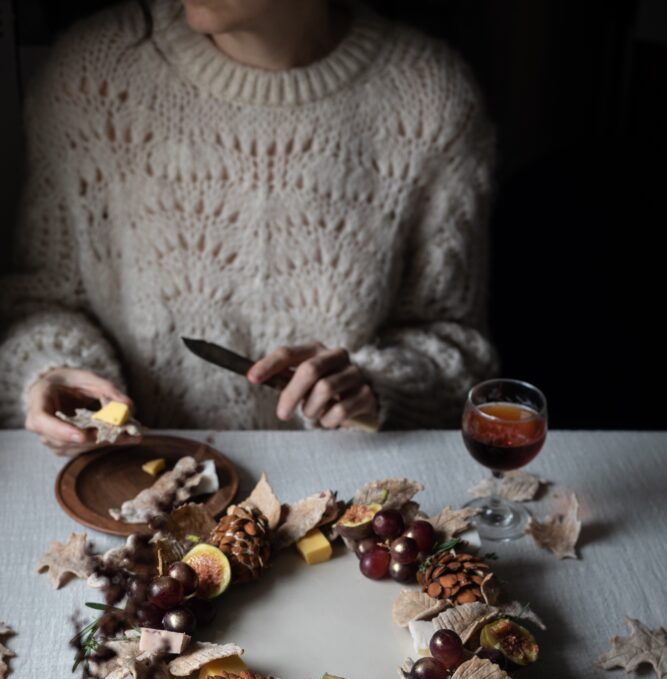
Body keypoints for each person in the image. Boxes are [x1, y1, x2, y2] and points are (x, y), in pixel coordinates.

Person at [0, 0, 498, 454]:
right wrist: (52, 370)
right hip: (131, 491)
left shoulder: (432, 100)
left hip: (343, 492)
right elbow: (42, 301)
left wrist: (374, 387)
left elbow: (458, 349)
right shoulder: (91, 77)